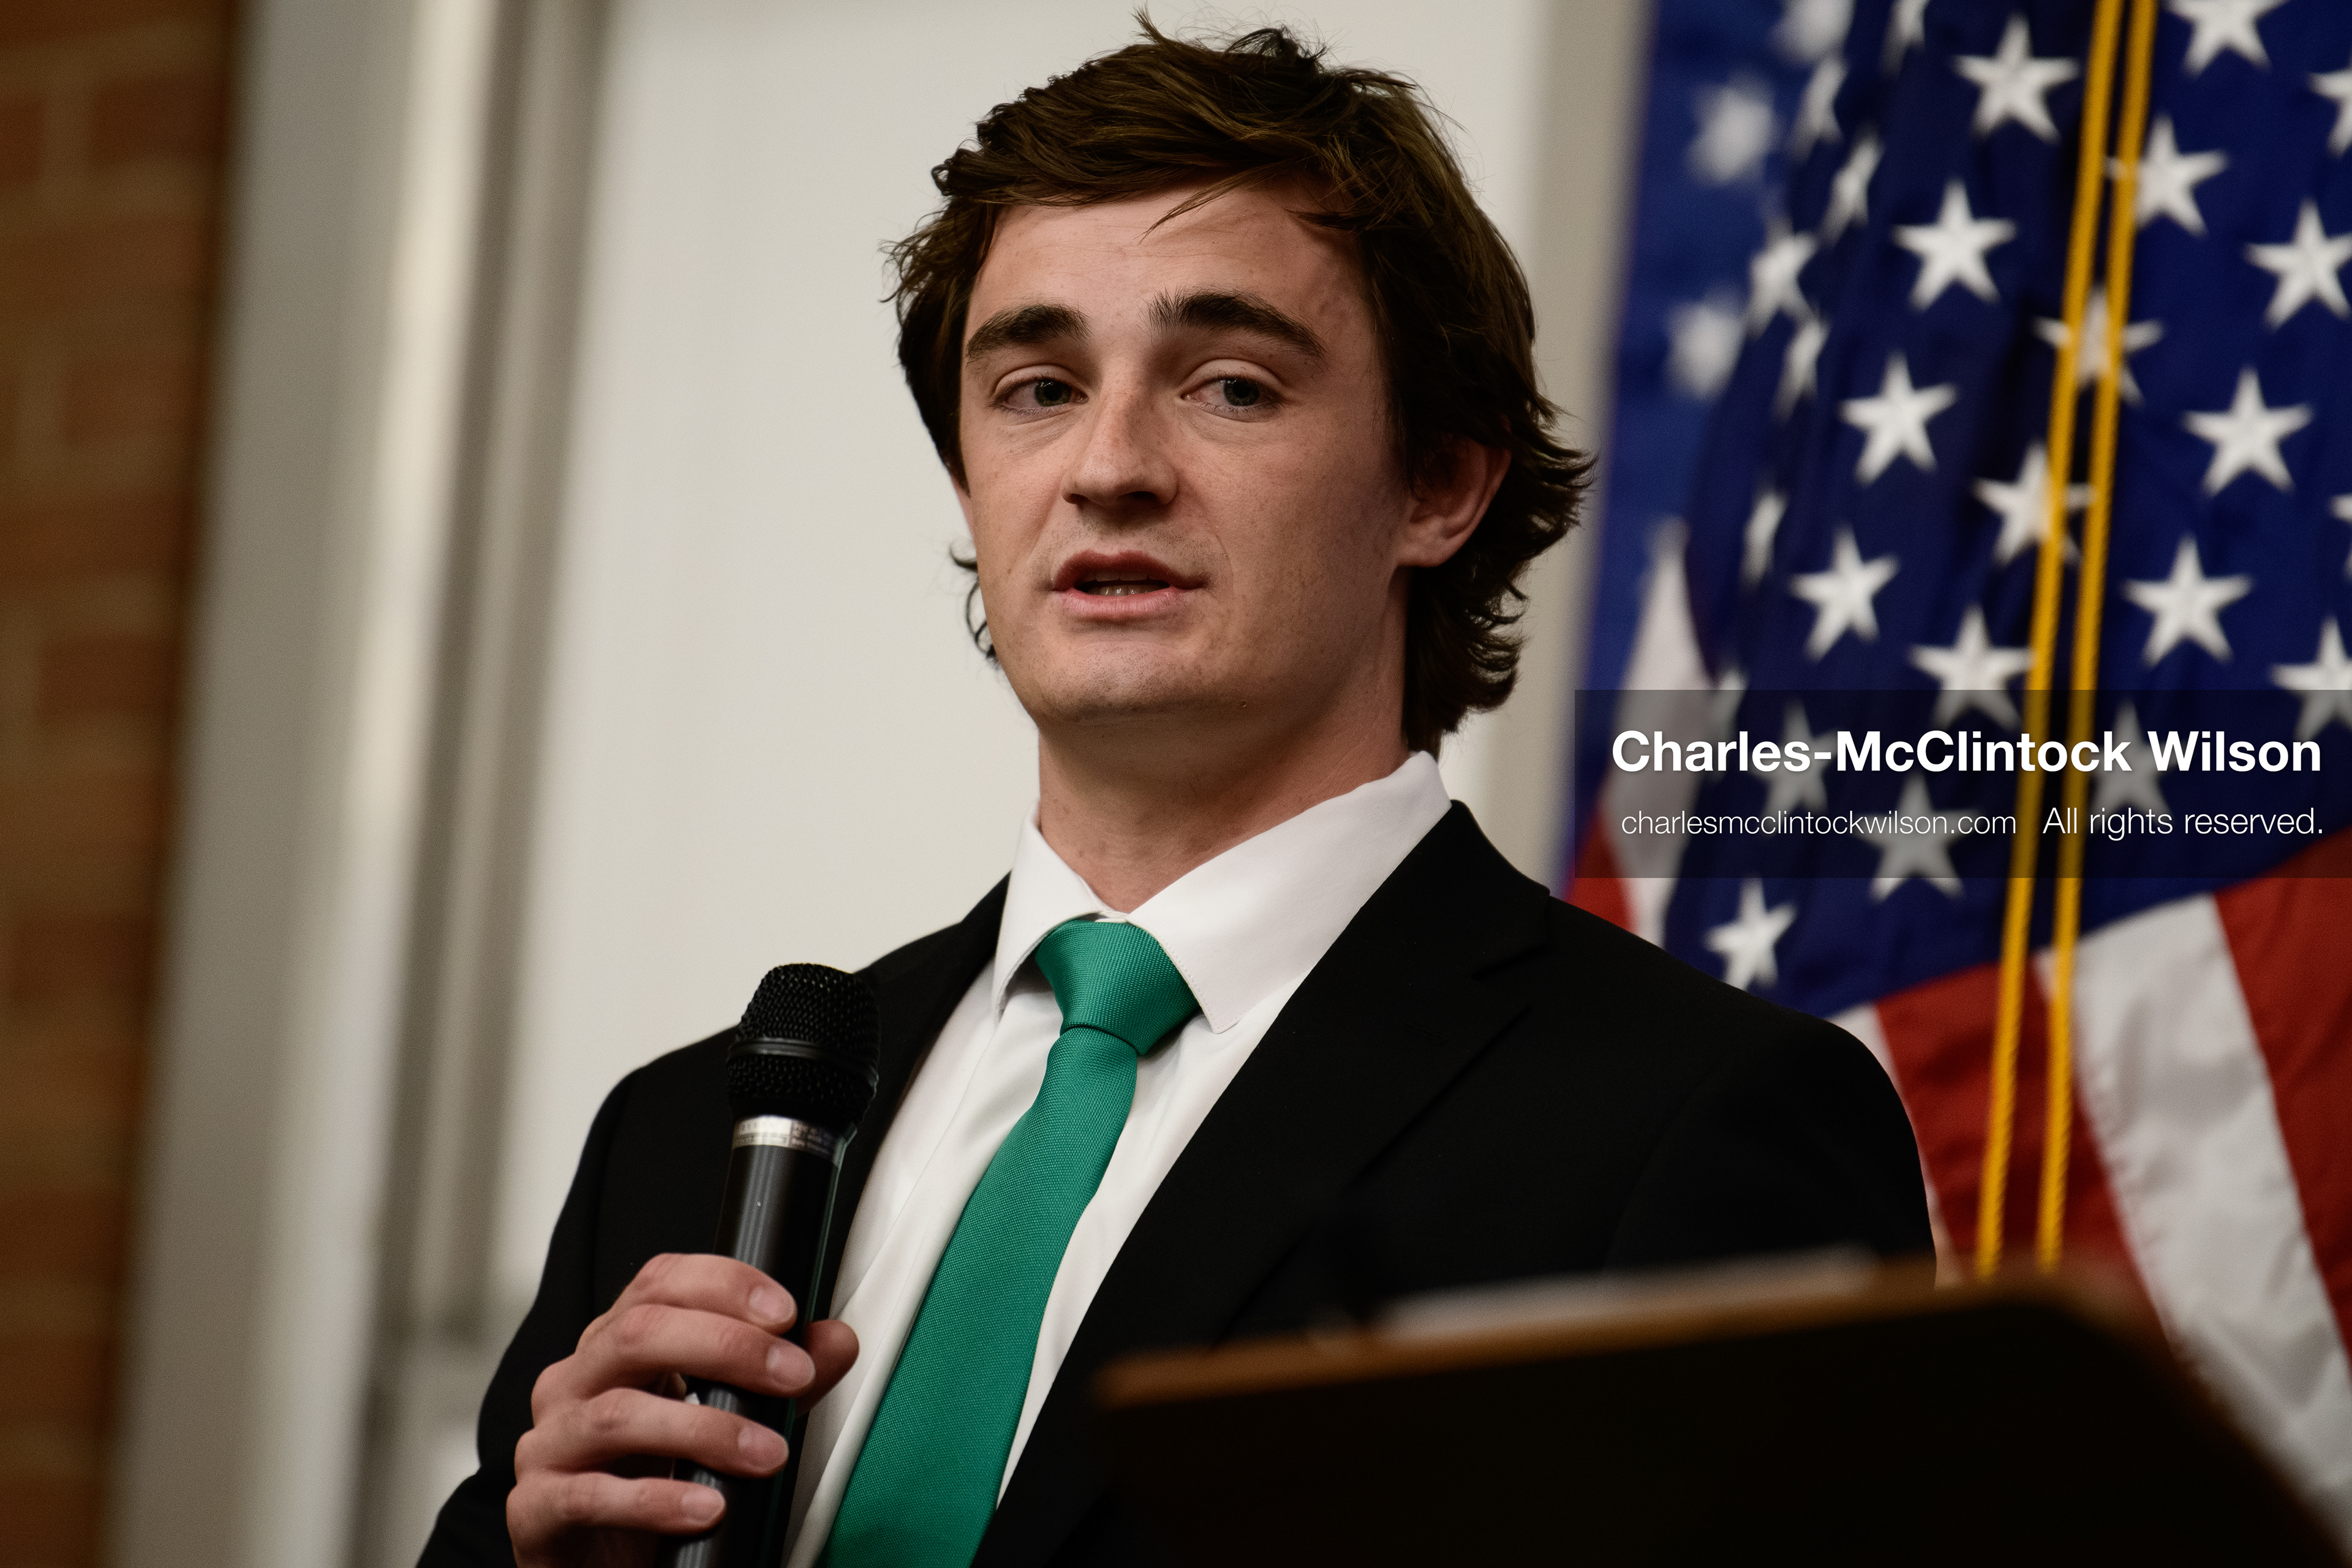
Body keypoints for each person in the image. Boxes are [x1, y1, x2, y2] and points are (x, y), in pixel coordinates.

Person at [422, 23, 1929, 1568]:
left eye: (1228, 383)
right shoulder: (685, 1133)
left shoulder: (1689, 1124)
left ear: (1439, 485)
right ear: (969, 478)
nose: (1108, 466)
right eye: (1035, 385)